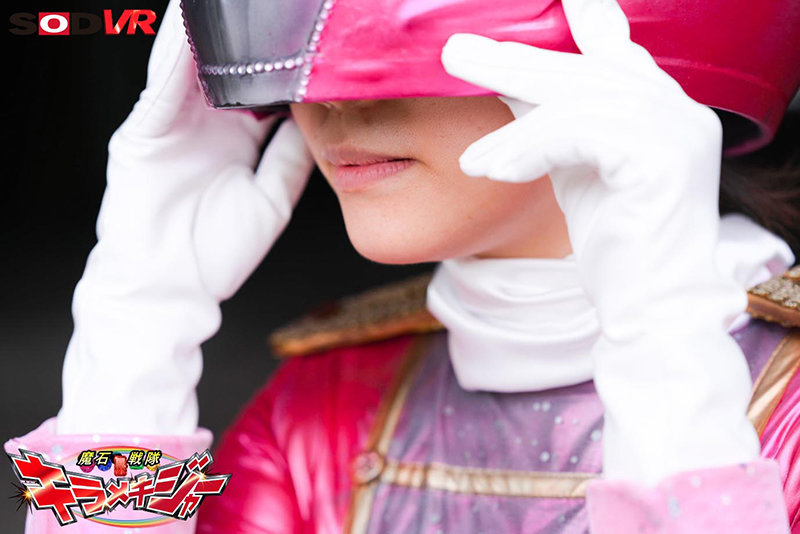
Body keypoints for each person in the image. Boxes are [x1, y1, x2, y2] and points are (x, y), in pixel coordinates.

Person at [5, 0, 800, 532]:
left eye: (403, 30)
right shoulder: (323, 405)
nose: (331, 101)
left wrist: (666, 366)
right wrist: (135, 332)